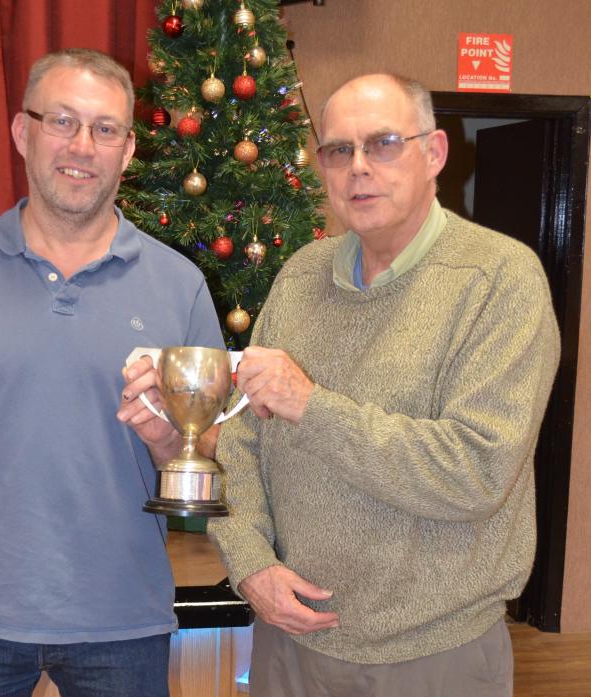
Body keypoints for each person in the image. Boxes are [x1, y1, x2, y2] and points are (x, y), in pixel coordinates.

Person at [0, 48, 224, 697]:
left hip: (122, 620)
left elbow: (212, 451)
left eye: (104, 128)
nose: (82, 146)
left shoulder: (180, 286)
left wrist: (169, 436)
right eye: (62, 121)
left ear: (128, 149)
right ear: (23, 131)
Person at [202, 74, 560, 696]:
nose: (358, 168)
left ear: (435, 154)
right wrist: (251, 565)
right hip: (288, 643)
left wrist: (310, 407)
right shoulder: (300, 275)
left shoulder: (501, 280)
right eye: (339, 150)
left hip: (434, 656)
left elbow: (476, 471)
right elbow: (239, 443)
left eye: (384, 143)